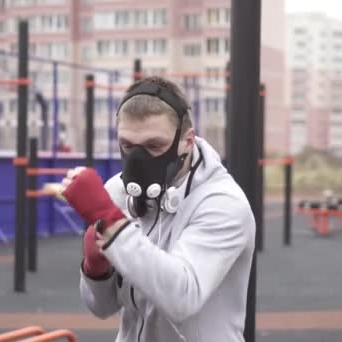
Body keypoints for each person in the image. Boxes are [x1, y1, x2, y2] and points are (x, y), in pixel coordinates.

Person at [48, 76, 256, 341]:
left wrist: (113, 225)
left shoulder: (223, 204)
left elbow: (183, 297)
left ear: (187, 141)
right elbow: (101, 308)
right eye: (128, 146)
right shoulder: (118, 191)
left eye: (154, 146)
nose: (138, 159)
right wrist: (95, 268)